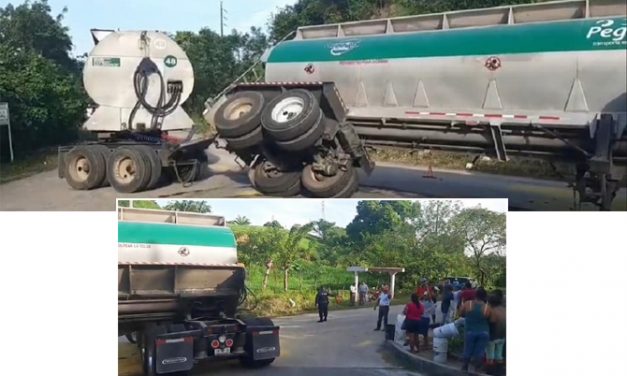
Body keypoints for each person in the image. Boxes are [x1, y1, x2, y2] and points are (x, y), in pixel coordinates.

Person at [460, 287, 490, 372]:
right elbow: (490, 319)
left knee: (467, 349)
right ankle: (477, 369)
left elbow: (461, 313)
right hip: (484, 332)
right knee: (480, 351)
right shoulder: (487, 307)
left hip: (470, 331)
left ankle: (465, 367)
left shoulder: (467, 304)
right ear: (485, 296)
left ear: (475, 295)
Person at [486, 290, 506, 376]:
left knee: (490, 353)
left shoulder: (493, 311)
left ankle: (490, 371)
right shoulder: (504, 309)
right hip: (503, 335)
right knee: (499, 353)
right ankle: (499, 370)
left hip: (493, 335)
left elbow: (492, 322)